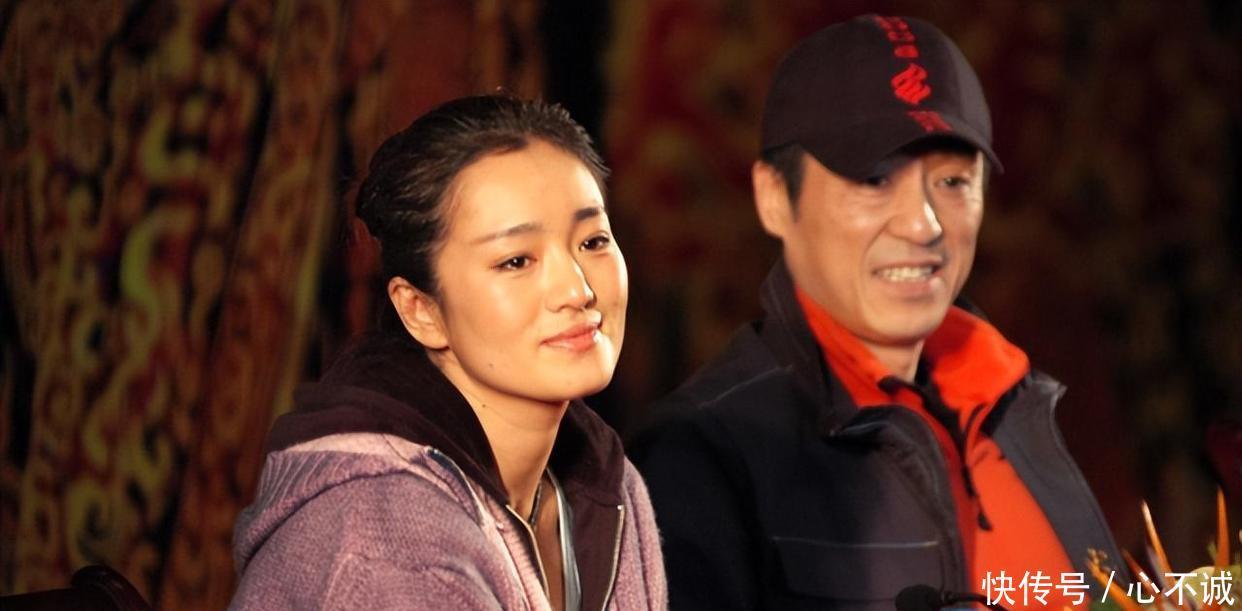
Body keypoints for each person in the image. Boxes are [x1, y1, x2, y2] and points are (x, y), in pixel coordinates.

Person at [629, 14, 1126, 611]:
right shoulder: (705, 456)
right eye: (873, 179)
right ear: (774, 197)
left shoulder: (1016, 404)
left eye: (952, 181)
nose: (923, 224)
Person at [231, 95, 666, 610]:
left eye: (592, 242)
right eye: (516, 261)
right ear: (420, 309)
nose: (578, 290)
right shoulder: (388, 539)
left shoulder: (608, 487)